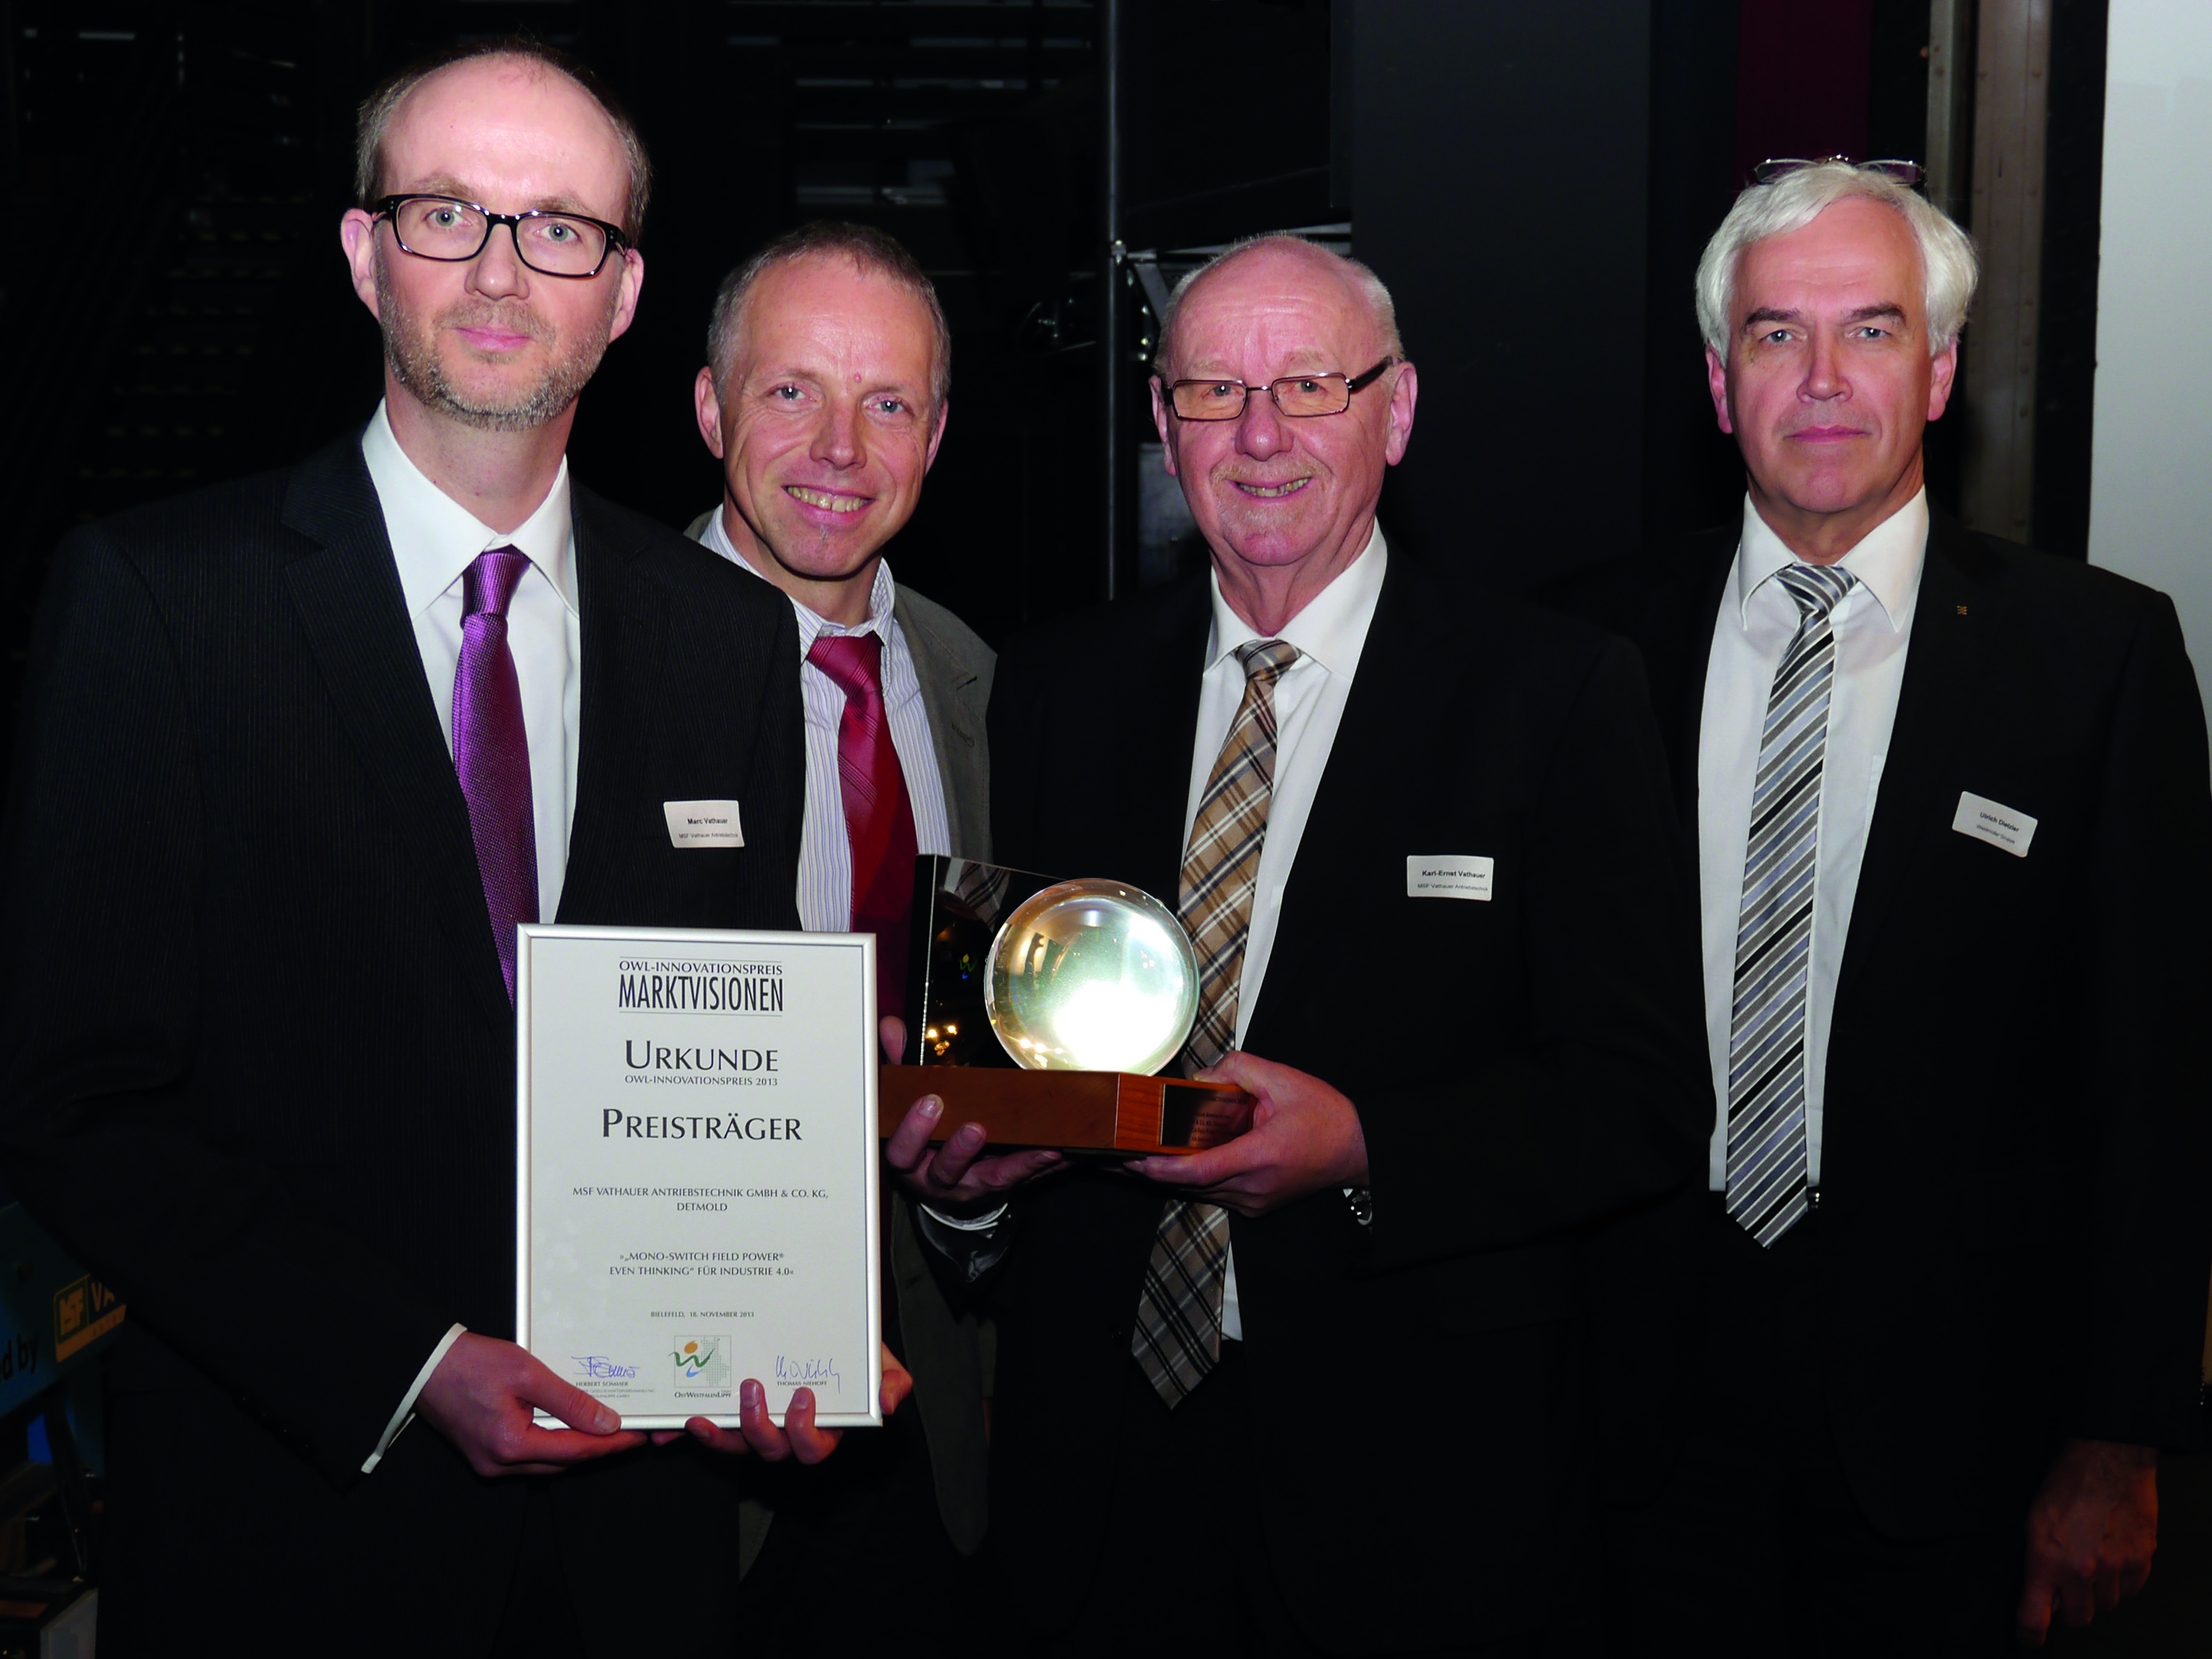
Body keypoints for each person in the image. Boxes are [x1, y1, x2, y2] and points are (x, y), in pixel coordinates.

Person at [0, 41, 893, 1655]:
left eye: (558, 227)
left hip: (637, 1550)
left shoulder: (724, 639)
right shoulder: (159, 604)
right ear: (365, 255)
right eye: (445, 213)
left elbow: (729, 1051)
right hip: (295, 1535)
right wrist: (408, 1361)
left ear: (621, 295)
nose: (498, 269)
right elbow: (72, 1100)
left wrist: (788, 1308)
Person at [886, 233, 1713, 1656]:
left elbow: (1638, 1099)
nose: (1259, 435)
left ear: (1396, 410)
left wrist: (1366, 1146)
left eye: (1310, 385)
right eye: (1213, 390)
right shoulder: (1059, 688)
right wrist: (966, 1188)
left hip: (1413, 1483)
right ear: (1163, 424)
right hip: (1099, 1480)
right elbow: (1023, 1061)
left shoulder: (1553, 691)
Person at [1545, 159, 2212, 1653]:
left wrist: (2118, 1435)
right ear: (1717, 383)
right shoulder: (1585, 644)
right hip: (1634, 1401)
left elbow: (2153, 1082)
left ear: (1941, 370)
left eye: (1871, 329)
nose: (1823, 378)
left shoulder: (2094, 658)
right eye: (1775, 334)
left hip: (1957, 1423)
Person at [684, 223, 992, 1634]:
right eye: (791, 390)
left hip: (939, 1441)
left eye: (887, 403)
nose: (840, 450)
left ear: (936, 435)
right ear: (710, 408)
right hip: (683, 1448)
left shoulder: (982, 685)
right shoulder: (586, 671)